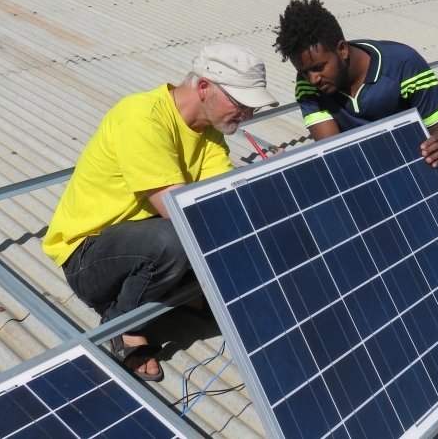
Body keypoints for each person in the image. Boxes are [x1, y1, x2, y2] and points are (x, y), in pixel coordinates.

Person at [42, 42, 278, 381]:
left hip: (141, 241)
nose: (248, 116)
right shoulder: (141, 118)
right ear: (203, 87)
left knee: (221, 243)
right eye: (241, 104)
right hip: (89, 255)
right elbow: (178, 209)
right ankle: (123, 322)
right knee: (178, 237)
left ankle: (177, 293)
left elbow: (218, 200)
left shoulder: (209, 133)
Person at [272, 0, 438, 219]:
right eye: (304, 72)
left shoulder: (404, 65)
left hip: (415, 157)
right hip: (359, 164)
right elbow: (334, 151)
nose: (313, 79)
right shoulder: (309, 86)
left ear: (342, 49)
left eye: (319, 67)